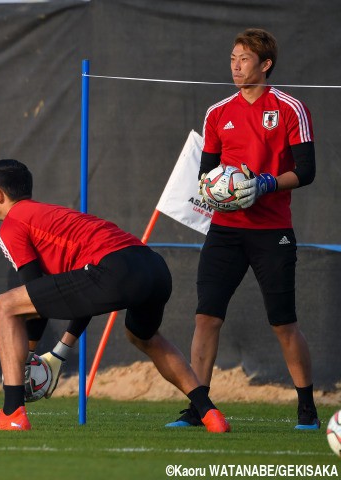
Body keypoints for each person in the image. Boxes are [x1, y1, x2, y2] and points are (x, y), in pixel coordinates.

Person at [0, 159, 230, 432]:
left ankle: (12, 412)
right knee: (144, 337)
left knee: (5, 304)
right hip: (152, 266)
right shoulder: (50, 214)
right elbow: (78, 296)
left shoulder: (13, 224)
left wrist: (28, 356)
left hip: (114, 268)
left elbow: (33, 299)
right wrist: (58, 354)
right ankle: (209, 413)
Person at [166, 28, 318, 430]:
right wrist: (218, 190)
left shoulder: (290, 108)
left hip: (273, 232)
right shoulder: (218, 113)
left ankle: (307, 408)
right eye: (232, 58)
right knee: (206, 318)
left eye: (244, 59)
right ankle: (199, 408)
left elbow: (307, 171)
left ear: (265, 64)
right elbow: (206, 173)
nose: (235, 66)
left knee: (283, 323)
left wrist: (265, 183)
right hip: (225, 232)